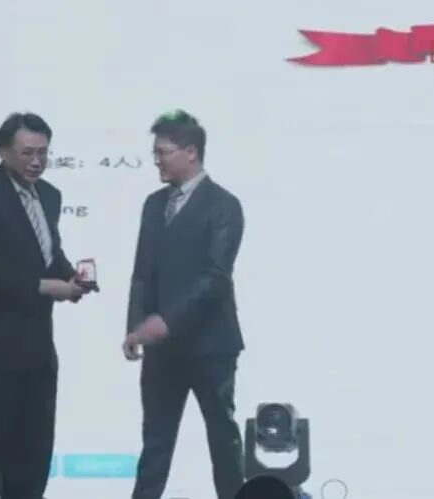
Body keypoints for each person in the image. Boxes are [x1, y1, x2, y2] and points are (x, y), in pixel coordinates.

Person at [0, 112, 91, 498]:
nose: (36, 161)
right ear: (3, 151)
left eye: (43, 152)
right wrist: (44, 287)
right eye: (27, 152)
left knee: (35, 448)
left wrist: (71, 278)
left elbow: (48, 254)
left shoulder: (50, 196)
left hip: (37, 343)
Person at [124, 110, 246, 499]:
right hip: (162, 349)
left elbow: (215, 279)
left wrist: (165, 322)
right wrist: (135, 327)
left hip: (211, 345)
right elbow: (142, 273)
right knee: (155, 441)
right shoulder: (153, 204)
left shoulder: (224, 205)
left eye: (163, 152)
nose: (156, 160)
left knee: (221, 437)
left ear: (190, 152)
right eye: (155, 152)